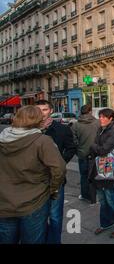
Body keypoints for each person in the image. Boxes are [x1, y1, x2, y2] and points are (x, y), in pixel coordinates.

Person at [0, 106, 66, 244]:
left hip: (4, 203)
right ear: (38, 120)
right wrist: (52, 190)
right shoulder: (42, 141)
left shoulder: (2, 139)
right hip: (34, 202)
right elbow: (59, 169)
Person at [35, 100, 76, 244]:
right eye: (38, 109)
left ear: (51, 111)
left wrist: (60, 164)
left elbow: (71, 148)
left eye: (44, 109)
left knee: (55, 216)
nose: (41, 113)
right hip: (35, 181)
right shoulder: (29, 129)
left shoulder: (62, 129)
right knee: (37, 216)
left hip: (55, 179)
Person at [89, 109, 114, 238]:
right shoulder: (101, 129)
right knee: (102, 199)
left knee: (112, 199)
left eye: (104, 117)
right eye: (100, 116)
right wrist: (96, 147)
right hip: (100, 169)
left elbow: (103, 149)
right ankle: (106, 222)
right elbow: (99, 147)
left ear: (111, 118)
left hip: (110, 170)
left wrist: (93, 146)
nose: (101, 119)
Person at [71, 104, 99, 204]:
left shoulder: (75, 125)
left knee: (84, 176)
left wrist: (79, 149)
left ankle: (85, 195)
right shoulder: (97, 123)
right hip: (95, 153)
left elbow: (73, 141)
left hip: (82, 154)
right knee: (95, 175)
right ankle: (94, 196)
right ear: (90, 111)